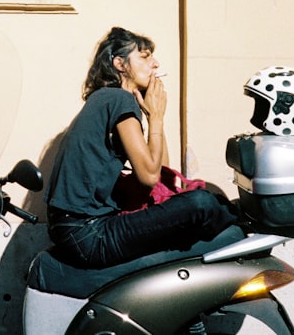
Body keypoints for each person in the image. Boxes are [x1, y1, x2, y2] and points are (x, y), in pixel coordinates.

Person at [44, 27, 237, 269]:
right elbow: (149, 176)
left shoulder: (107, 99)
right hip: (87, 233)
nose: (155, 64)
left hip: (76, 231)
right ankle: (244, 223)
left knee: (202, 202)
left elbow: (161, 172)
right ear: (120, 64)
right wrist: (155, 117)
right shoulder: (118, 99)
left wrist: (155, 117)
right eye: (145, 57)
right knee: (202, 203)